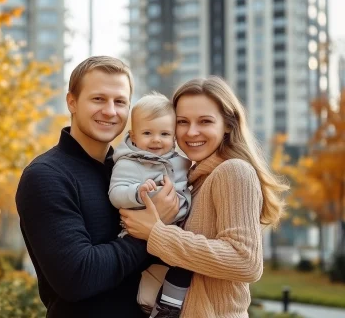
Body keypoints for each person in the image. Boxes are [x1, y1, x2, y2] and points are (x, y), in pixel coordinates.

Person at [15, 56, 179, 318]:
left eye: (120, 102)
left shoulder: (129, 172)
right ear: (72, 102)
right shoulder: (46, 176)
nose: (110, 111)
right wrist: (149, 230)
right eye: (98, 99)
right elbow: (77, 277)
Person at [121, 76, 289, 318]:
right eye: (182, 122)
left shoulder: (233, 171)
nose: (192, 132)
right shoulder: (195, 180)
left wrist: (156, 233)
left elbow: (246, 262)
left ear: (228, 125)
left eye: (205, 121)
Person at [109, 91, 192, 317]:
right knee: (139, 274)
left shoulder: (181, 162)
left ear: (174, 137)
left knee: (183, 266)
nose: (156, 140)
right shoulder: (129, 163)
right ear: (133, 136)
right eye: (148, 133)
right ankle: (145, 305)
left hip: (174, 231)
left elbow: (188, 187)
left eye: (165, 133)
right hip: (139, 233)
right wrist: (137, 192)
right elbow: (116, 193)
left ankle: (167, 308)